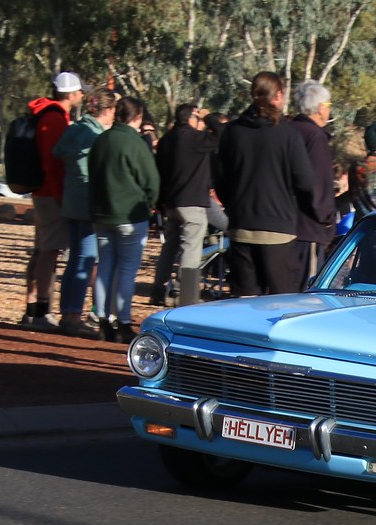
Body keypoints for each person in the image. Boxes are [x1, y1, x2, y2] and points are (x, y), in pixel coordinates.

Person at [215, 71, 314, 296]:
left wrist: (234, 206)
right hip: (278, 230)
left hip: (241, 228)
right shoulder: (288, 134)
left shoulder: (232, 132)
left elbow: (220, 179)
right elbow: (306, 181)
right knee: (281, 305)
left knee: (244, 304)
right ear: (278, 95)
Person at [88, 97, 161, 342]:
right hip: (131, 215)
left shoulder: (101, 140)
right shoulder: (136, 143)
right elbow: (151, 181)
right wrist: (150, 204)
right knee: (127, 270)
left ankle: (101, 319)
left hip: (102, 214)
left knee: (104, 268)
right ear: (137, 117)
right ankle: (124, 321)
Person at [52, 87, 119, 337]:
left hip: (71, 202)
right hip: (90, 203)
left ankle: (68, 313)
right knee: (86, 260)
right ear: (109, 110)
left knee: (74, 260)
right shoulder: (97, 135)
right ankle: (73, 317)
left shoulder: (76, 128)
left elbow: (57, 151)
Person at [21, 71, 85, 330]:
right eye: (80, 91)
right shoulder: (54, 119)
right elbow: (54, 163)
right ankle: (40, 312)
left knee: (44, 250)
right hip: (50, 194)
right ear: (70, 95)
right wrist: (62, 197)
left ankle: (33, 310)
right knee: (49, 252)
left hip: (43, 192)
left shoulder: (48, 114)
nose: (82, 95)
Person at [150, 103, 219, 305]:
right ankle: (185, 294)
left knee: (169, 247)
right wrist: (209, 118)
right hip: (192, 202)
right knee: (192, 248)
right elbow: (222, 134)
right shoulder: (196, 139)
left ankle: (158, 289)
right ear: (191, 118)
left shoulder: (165, 140)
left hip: (170, 203)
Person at [290, 80, 337, 287]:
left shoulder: (287, 129)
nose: (329, 110)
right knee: (304, 293)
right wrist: (326, 219)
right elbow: (319, 185)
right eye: (328, 105)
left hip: (286, 224)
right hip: (308, 228)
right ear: (320, 108)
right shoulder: (315, 137)